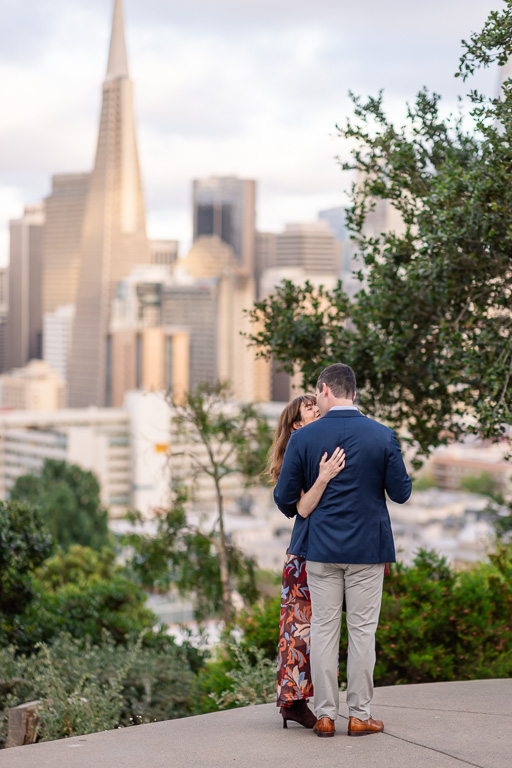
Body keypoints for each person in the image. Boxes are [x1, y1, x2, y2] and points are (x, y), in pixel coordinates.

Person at [274, 363, 411, 738]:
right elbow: (401, 493)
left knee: (323, 632)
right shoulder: (383, 436)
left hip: (321, 550)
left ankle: (324, 716)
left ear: (325, 390)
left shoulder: (304, 439)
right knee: (363, 633)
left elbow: (284, 499)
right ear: (354, 393)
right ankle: (360, 715)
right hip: (368, 549)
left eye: (317, 395)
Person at [268, 394, 345, 730]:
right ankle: (293, 703)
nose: (317, 409)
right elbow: (299, 507)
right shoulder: (297, 456)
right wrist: (325, 475)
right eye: (309, 409)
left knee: (322, 630)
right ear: (296, 425)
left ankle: (304, 699)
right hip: (304, 554)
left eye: (317, 404)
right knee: (298, 631)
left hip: (328, 550)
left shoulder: (320, 446)